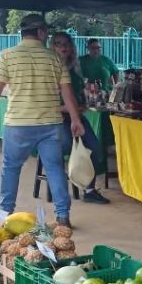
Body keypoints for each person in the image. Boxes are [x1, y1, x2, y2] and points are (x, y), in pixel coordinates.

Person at [0, 14, 84, 228]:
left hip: (18, 124)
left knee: (11, 168)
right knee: (54, 168)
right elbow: (68, 93)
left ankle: (6, 214)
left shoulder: (7, 56)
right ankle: (63, 217)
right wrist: (75, 119)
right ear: (41, 33)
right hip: (50, 125)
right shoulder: (54, 59)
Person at [50, 32, 110, 204]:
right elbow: (45, 104)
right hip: (57, 118)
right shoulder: (49, 69)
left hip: (75, 117)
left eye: (66, 44)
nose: (63, 47)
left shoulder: (74, 68)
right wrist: (68, 108)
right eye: (58, 43)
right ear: (52, 47)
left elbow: (78, 96)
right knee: (68, 146)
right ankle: (60, 189)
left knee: (95, 148)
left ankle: (89, 190)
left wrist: (82, 105)